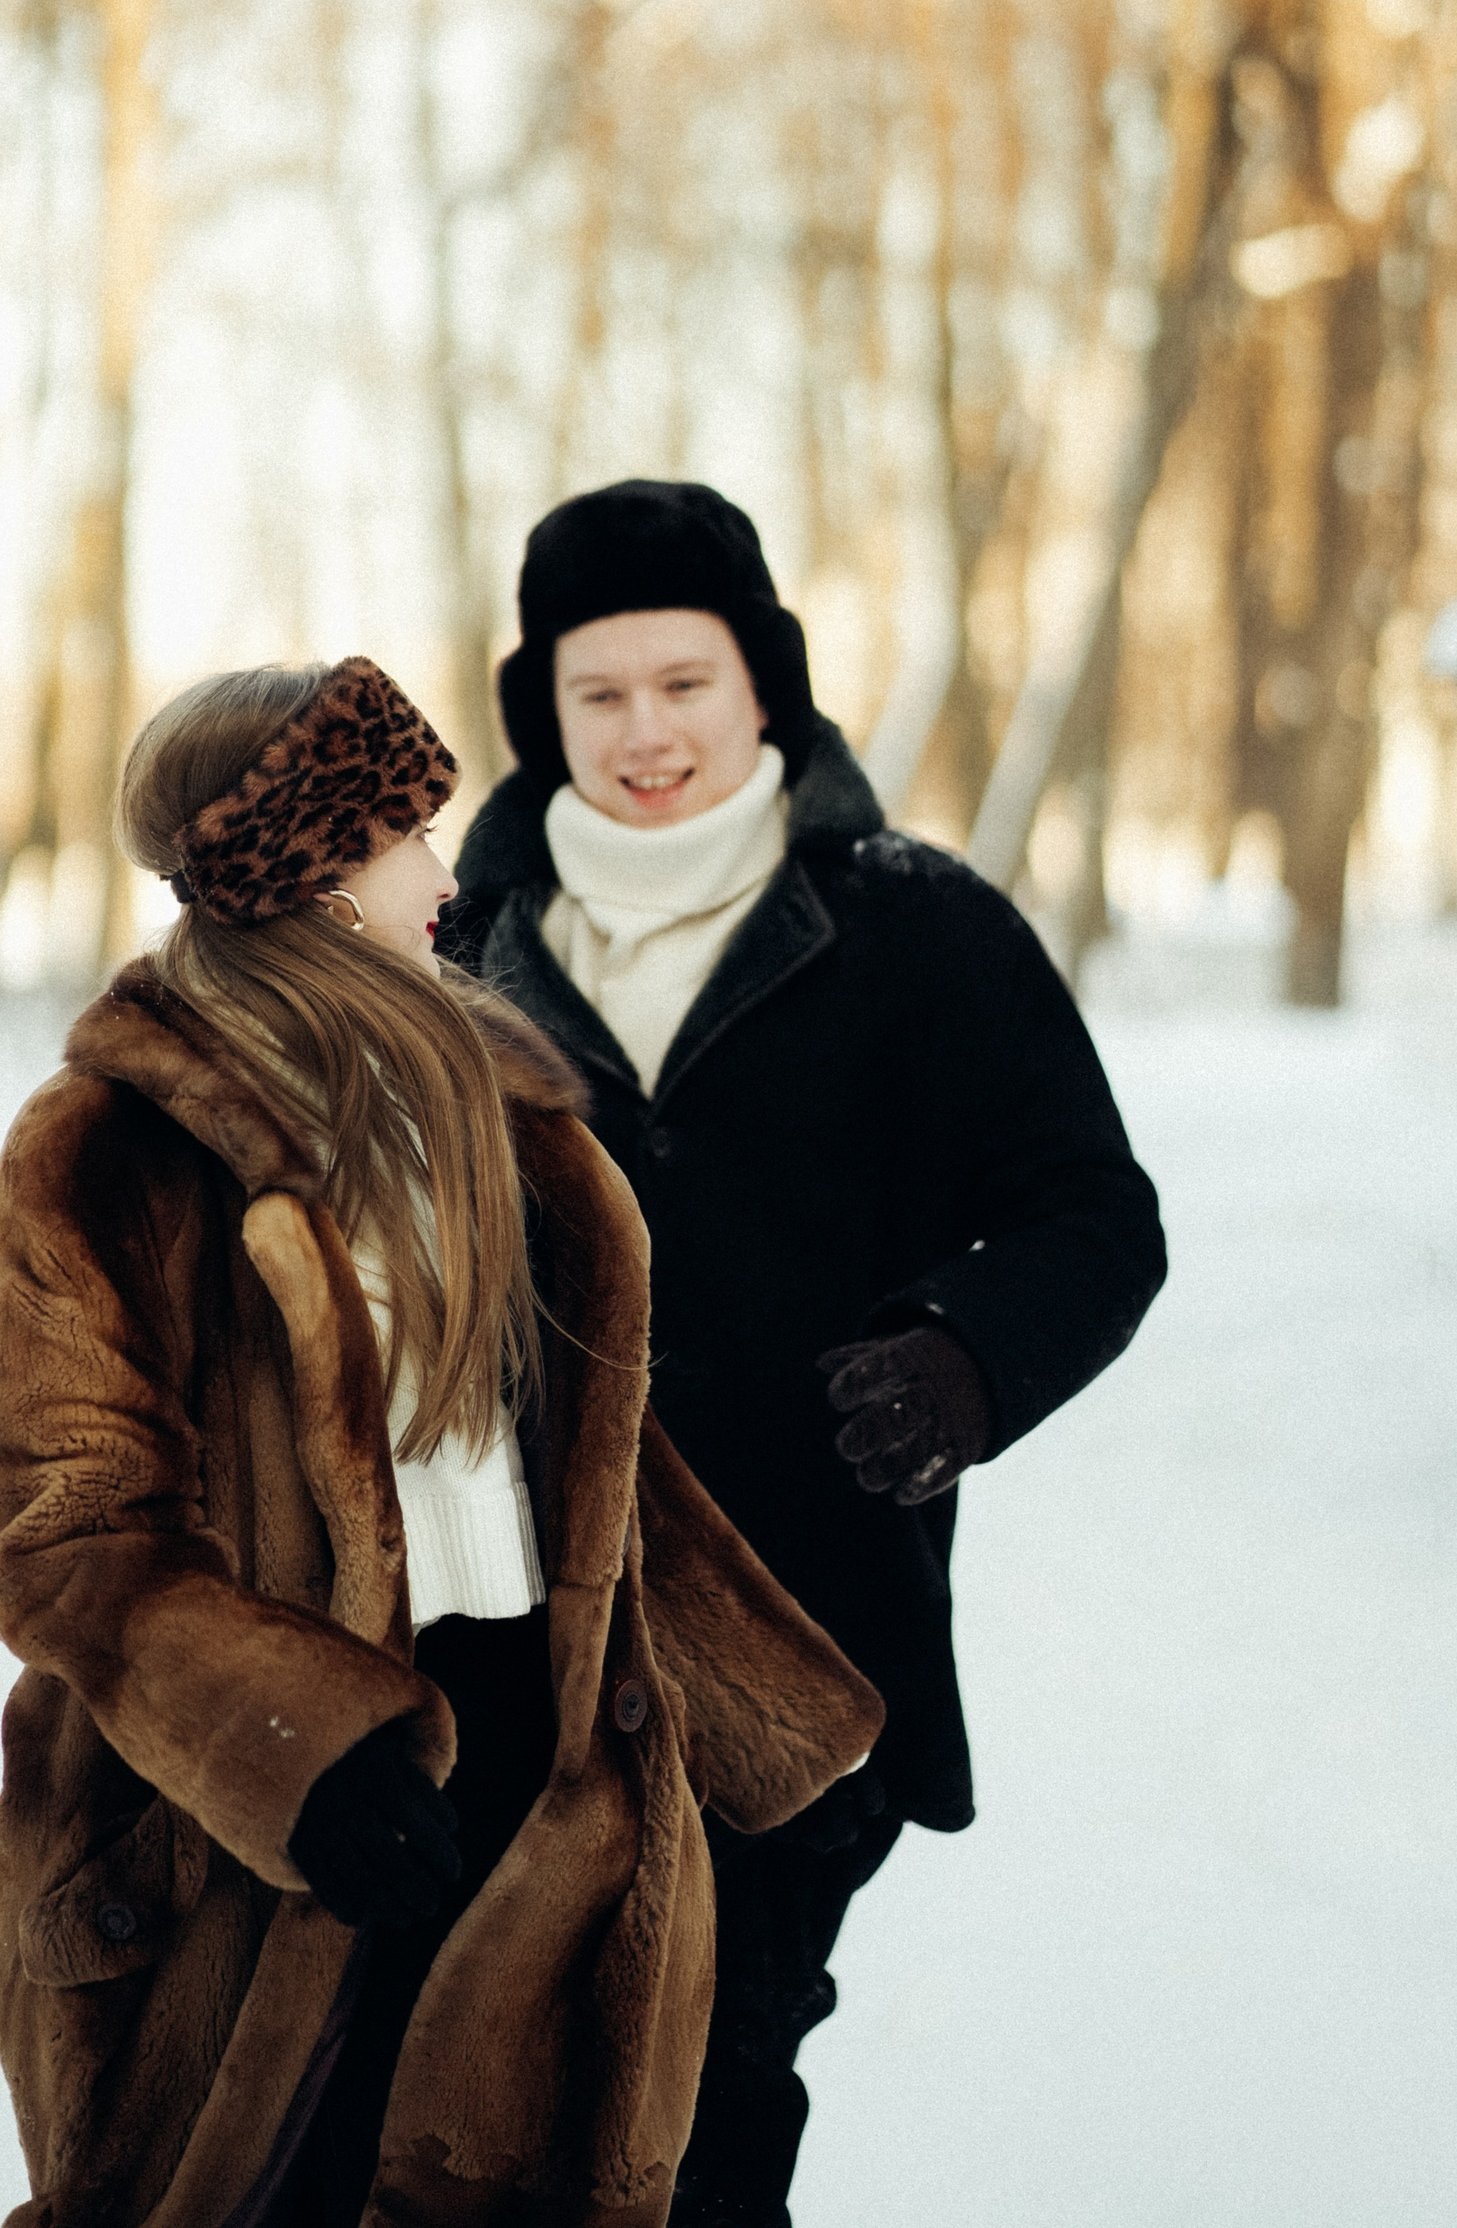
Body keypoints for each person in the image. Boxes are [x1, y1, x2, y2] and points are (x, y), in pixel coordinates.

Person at [0, 654, 884, 2228]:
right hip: (261, 1826)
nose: (446, 878)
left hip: (535, 1760)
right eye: (406, 839)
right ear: (312, 873)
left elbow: (603, 1474)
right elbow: (63, 1530)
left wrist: (770, 1732)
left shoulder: (492, 1112)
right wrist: (299, 1759)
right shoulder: (113, 1146)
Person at [439, 484, 1169, 2228]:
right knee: (485, 2116)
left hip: (798, 1646)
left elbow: (1096, 1215)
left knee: (708, 2109)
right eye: (599, 693)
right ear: (543, 710)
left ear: (763, 681)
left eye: (683, 683)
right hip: (503, 1655)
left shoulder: (921, 931)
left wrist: (964, 1359)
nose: (646, 734)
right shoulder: (457, 951)